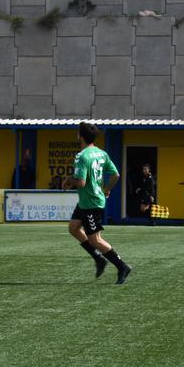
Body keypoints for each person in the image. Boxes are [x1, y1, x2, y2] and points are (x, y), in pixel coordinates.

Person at [64, 122, 132, 284]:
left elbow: (80, 182)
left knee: (96, 240)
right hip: (87, 201)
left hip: (91, 204)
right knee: (73, 228)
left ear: (81, 136)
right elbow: (115, 175)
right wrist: (106, 189)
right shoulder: (102, 154)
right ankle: (99, 258)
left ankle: (122, 266)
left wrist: (68, 180)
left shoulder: (82, 156)